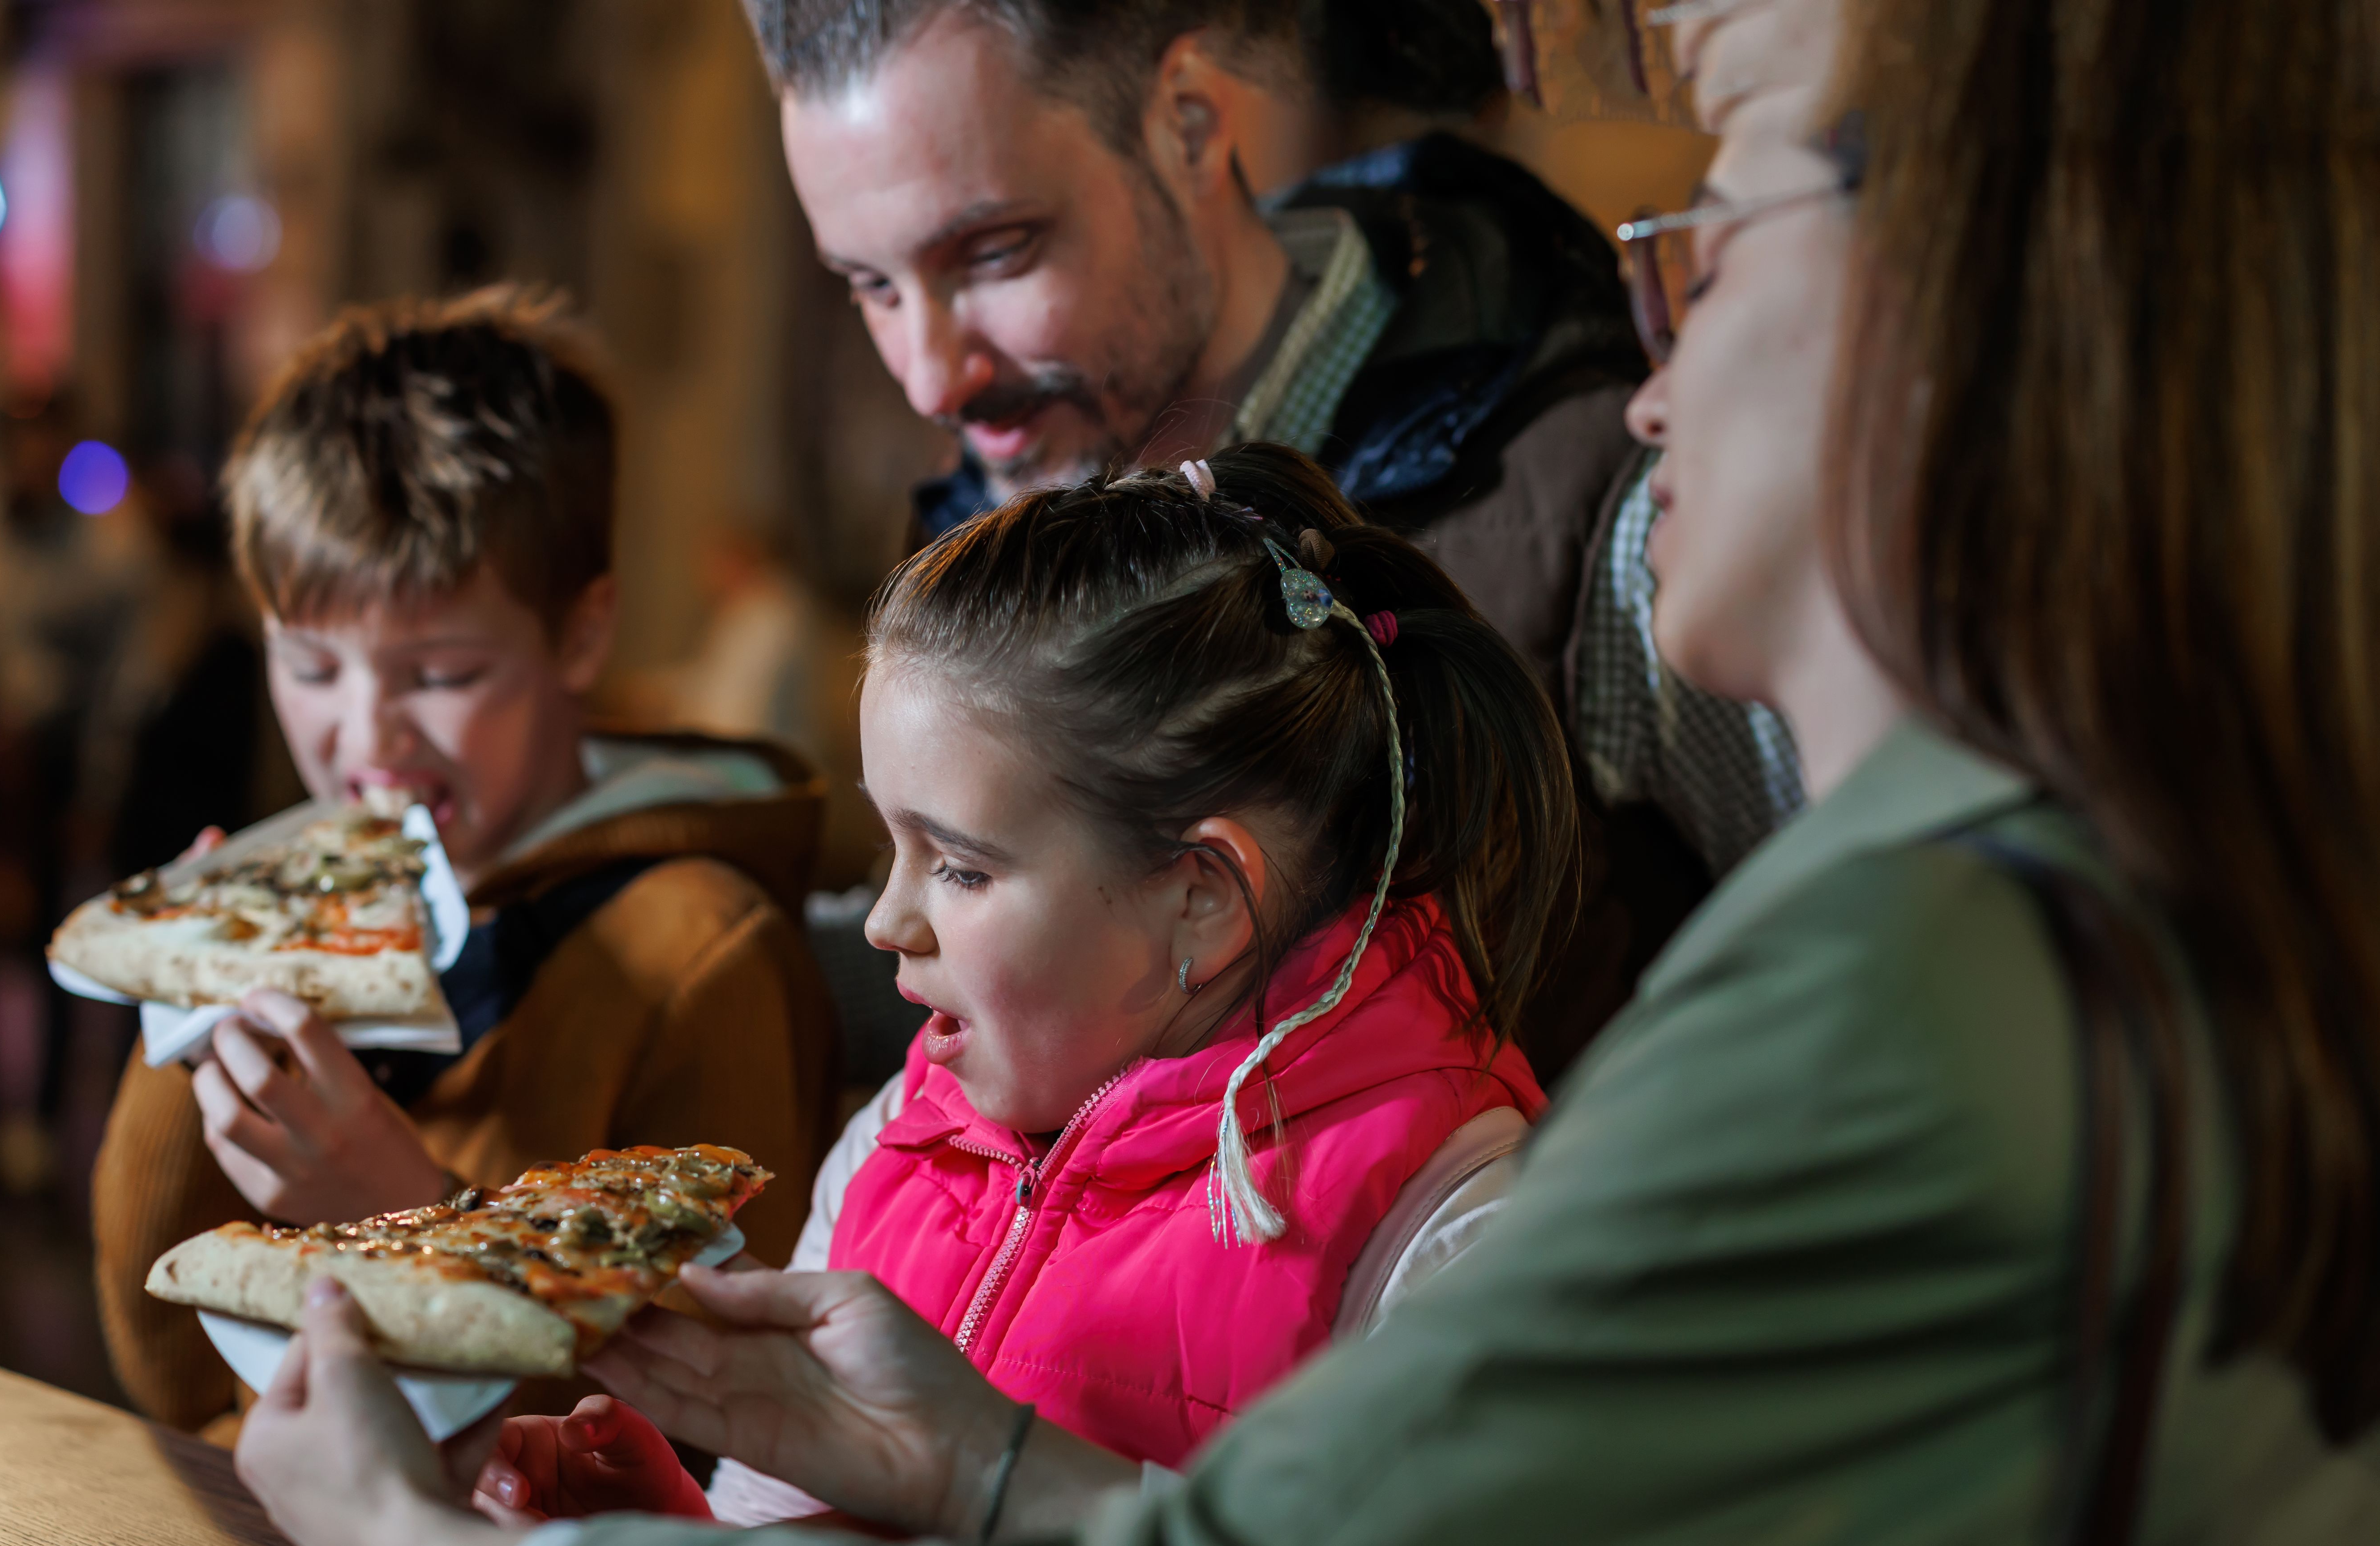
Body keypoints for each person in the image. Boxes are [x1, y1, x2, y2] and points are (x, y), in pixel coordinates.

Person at [238, 0, 2380, 1546]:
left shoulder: (1914, 979)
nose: (1663, 362)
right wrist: (934, 1452)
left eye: (1738, 210)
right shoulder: (2107, 929)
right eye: (859, 285)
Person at [473, 442, 1574, 1524]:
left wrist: (996, 1483)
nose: (882, 920)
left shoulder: (1449, 1233)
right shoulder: (894, 1139)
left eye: (957, 866)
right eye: (886, 850)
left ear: (1201, 897)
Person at [745, 0, 1780, 1078]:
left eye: (998, 252)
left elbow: (1876, 942)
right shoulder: (1010, 506)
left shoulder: (1596, 505)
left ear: (1187, 124)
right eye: (870, 285)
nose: (928, 374)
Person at [93, 287, 841, 1438]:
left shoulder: (699, 955)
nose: (368, 737)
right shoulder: (326, 906)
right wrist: (186, 1013)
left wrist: (408, 1215)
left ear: (581, 634)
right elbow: (171, 1373)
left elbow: (702, 1444)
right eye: (310, 666)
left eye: (437, 676)